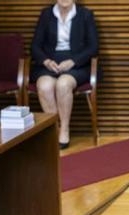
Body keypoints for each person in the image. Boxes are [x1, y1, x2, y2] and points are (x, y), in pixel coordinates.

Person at [30, 0, 99, 149]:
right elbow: (35, 46)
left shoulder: (85, 14)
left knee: (63, 84)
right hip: (50, 63)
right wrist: (46, 61)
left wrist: (73, 61)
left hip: (77, 64)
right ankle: (54, 128)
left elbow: (93, 47)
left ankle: (65, 129)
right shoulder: (46, 14)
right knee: (44, 86)